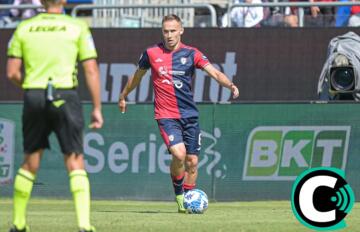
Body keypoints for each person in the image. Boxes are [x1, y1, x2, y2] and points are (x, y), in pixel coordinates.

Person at [118, 14, 239, 213]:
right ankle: (180, 198)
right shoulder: (151, 53)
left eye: (173, 31)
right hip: (166, 115)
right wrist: (123, 95)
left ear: (181, 30)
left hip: (189, 115)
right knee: (179, 154)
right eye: (166, 31)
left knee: (192, 161)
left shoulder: (192, 53)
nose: (169, 35)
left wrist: (231, 85)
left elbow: (215, 73)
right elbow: (136, 77)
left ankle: (189, 202)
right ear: (162, 32)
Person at [6, 0, 103, 231]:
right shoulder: (77, 26)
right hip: (64, 96)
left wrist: (32, 88)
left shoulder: (24, 27)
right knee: (75, 159)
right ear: (64, 1)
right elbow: (90, 69)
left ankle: (19, 224)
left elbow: (11, 73)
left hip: (34, 95)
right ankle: (83, 225)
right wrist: (97, 108)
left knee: (30, 161)